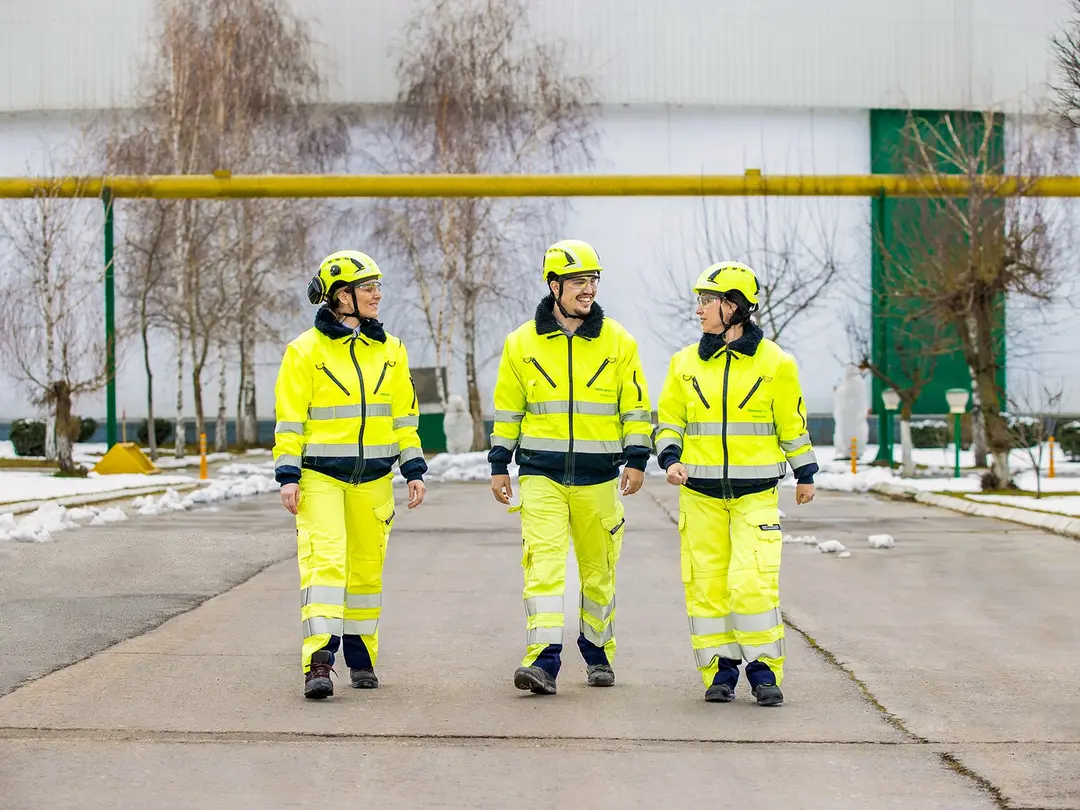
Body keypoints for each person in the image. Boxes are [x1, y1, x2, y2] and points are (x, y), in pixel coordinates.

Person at [488, 238, 653, 696]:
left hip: (598, 478)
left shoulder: (619, 342)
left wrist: (637, 459)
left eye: (594, 280)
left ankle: (598, 653)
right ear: (554, 285)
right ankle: (543, 662)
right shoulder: (520, 343)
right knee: (544, 568)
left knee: (598, 571)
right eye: (579, 281)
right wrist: (499, 463)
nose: (589, 290)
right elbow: (508, 411)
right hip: (541, 476)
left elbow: (636, 409)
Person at [654, 261, 818, 707]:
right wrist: (669, 458)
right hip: (700, 497)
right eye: (700, 301)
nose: (699, 311)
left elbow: (792, 424)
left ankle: (764, 671)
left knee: (752, 582)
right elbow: (669, 421)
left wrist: (805, 472)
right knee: (707, 586)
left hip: (756, 496)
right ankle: (720, 672)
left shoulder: (777, 363)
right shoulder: (683, 364)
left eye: (707, 301)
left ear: (735, 306)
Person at [273, 250, 428, 700]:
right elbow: (290, 421)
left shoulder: (391, 351)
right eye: (367, 288)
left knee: (365, 570)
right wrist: (288, 474)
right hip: (320, 478)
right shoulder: (304, 351)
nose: (377, 294)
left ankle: (360, 659)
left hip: (375, 481)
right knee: (326, 563)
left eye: (378, 286)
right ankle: (319, 661)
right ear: (341, 296)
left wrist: (413, 468)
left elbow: (404, 417)